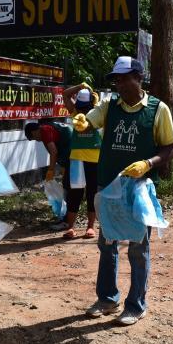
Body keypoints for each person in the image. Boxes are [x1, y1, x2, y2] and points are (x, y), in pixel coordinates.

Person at [72, 56, 173, 326]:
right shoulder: (109, 106)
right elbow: (90, 121)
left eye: (124, 78)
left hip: (138, 189)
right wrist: (83, 121)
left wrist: (148, 163)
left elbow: (170, 148)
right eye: (116, 80)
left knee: (137, 248)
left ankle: (136, 305)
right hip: (109, 186)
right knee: (107, 244)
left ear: (139, 78)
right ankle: (107, 298)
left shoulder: (157, 109)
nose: (119, 84)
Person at [59, 85, 102, 239]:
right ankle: (70, 227)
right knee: (74, 193)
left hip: (95, 158)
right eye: (81, 106)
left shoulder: (96, 112)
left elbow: (100, 105)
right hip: (77, 159)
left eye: (85, 107)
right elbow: (65, 94)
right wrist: (81, 86)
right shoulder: (75, 112)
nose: (82, 110)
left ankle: (90, 227)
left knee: (92, 192)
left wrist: (93, 96)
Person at [23, 119, 72, 229]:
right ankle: (67, 217)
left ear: (34, 131)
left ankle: (67, 220)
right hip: (70, 152)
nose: (36, 140)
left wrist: (51, 170)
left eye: (33, 137)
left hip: (72, 152)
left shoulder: (45, 131)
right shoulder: (46, 129)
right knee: (67, 186)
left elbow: (54, 152)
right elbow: (52, 151)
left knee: (68, 187)